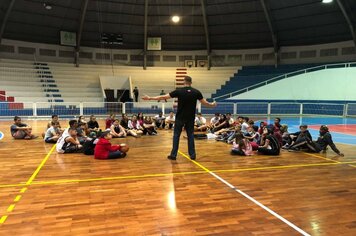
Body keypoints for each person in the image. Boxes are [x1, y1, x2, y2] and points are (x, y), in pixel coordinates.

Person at [143, 76, 216, 160]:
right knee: (190, 136)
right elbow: (205, 103)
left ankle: (173, 155)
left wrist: (150, 98)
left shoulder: (179, 91)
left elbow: (164, 97)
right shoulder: (196, 92)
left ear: (183, 82)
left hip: (180, 117)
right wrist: (212, 105)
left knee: (176, 136)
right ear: (191, 82)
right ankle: (192, 155)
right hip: (190, 118)